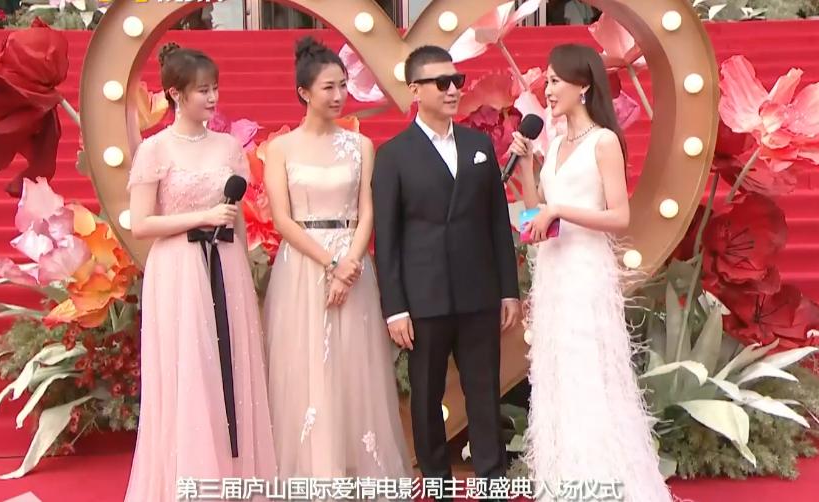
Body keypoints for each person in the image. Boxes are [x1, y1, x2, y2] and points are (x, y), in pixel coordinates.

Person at [508, 43, 672, 501]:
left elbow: (619, 216)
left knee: (587, 374)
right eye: (546, 80)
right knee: (556, 374)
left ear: (583, 86)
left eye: (555, 81)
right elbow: (537, 217)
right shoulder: (556, 143)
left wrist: (560, 209)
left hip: (585, 273)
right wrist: (527, 169)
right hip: (553, 272)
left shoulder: (604, 142)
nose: (547, 89)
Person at [124, 43, 276, 501]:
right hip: (177, 268)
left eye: (215, 89)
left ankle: (236, 478)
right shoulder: (154, 150)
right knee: (189, 368)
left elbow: (236, 212)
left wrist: (231, 240)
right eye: (202, 90)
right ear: (175, 94)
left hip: (226, 264)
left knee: (232, 366)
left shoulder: (229, 147)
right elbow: (141, 223)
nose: (212, 98)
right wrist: (202, 218)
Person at [262, 36, 412, 486]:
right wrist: (331, 263)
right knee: (305, 362)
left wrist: (350, 265)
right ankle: (313, 470)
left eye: (343, 85)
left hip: (353, 261)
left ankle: (356, 467)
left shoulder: (360, 145)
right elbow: (282, 219)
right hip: (303, 265)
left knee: (354, 364)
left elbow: (368, 211)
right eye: (329, 87)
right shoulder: (281, 149)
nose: (339, 95)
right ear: (304, 92)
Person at [371, 45, 522, 486]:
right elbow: (388, 238)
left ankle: (493, 479)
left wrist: (508, 289)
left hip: (479, 292)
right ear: (415, 90)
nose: (453, 90)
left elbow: (497, 222)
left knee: (483, 390)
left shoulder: (478, 145)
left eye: (457, 81)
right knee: (426, 395)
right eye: (442, 83)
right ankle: (436, 480)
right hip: (424, 297)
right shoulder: (394, 154)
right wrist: (395, 308)